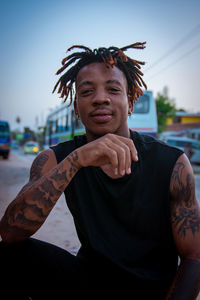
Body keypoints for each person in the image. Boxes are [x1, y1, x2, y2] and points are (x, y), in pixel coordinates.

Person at [0, 42, 200, 300]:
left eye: (113, 89)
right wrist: (76, 160)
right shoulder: (56, 159)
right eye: (87, 91)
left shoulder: (172, 163)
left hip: (152, 292)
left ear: (130, 102)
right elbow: (10, 233)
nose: (100, 98)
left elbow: (194, 257)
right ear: (76, 108)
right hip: (88, 285)